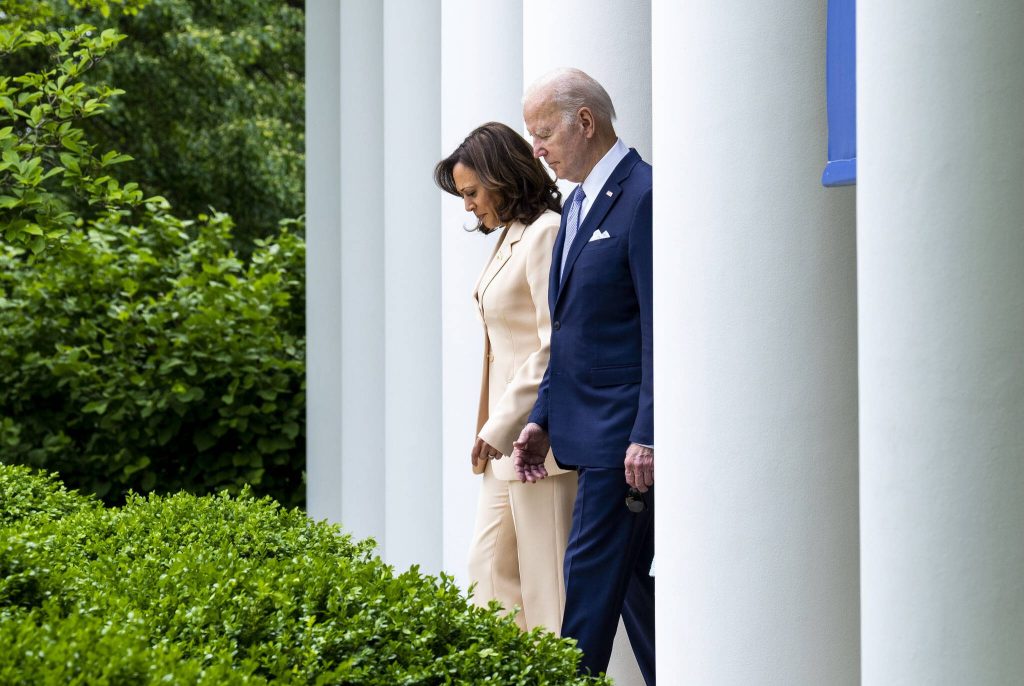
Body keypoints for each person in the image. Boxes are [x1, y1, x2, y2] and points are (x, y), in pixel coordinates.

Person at [513, 68, 655, 684]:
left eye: (544, 134)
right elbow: (569, 331)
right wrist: (540, 417)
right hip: (581, 430)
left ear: (586, 123)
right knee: (632, 592)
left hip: (619, 440)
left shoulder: (644, 194)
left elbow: (658, 327)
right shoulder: (572, 208)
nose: (537, 150)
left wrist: (647, 431)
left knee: (589, 586)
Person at [434, 122, 578, 633]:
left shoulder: (546, 234)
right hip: (505, 444)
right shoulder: (511, 238)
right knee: (486, 572)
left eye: (472, 192)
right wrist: (491, 430)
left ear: (501, 177)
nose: (468, 206)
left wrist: (498, 427)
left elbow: (552, 344)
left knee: (548, 590)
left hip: (541, 443)